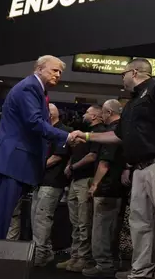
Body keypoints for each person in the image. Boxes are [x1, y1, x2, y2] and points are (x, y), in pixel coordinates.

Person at [72, 58, 155, 279]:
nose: (121, 79)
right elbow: (117, 135)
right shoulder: (131, 104)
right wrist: (86, 135)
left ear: (133, 72)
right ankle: (140, 272)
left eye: (122, 74)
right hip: (141, 169)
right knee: (140, 224)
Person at [0, 55, 81, 240]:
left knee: (3, 214)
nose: (58, 75)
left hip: (16, 160)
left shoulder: (37, 89)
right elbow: (34, 122)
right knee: (0, 215)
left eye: (60, 72)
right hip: (12, 160)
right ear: (39, 68)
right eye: (54, 70)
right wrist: (66, 136)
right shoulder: (30, 87)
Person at [84, 100, 126, 278]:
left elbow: (104, 163)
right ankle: (113, 262)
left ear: (109, 112)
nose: (102, 116)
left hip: (107, 187)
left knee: (101, 229)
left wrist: (94, 185)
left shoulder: (113, 132)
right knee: (113, 228)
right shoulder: (124, 130)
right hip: (119, 188)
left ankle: (104, 264)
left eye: (103, 112)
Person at [57, 106, 103, 272]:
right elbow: (74, 153)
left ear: (95, 116)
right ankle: (75, 256)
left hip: (86, 179)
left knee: (84, 223)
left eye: (87, 112)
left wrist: (73, 166)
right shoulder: (84, 132)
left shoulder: (99, 133)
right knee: (75, 222)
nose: (84, 115)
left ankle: (84, 258)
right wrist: (70, 164)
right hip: (75, 180)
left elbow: (93, 156)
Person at [31, 103, 73, 266]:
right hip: (40, 181)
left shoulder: (63, 130)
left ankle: (40, 254)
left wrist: (38, 167)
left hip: (52, 181)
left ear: (52, 114)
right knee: (36, 217)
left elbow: (57, 156)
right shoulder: (44, 131)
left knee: (42, 218)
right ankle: (45, 252)